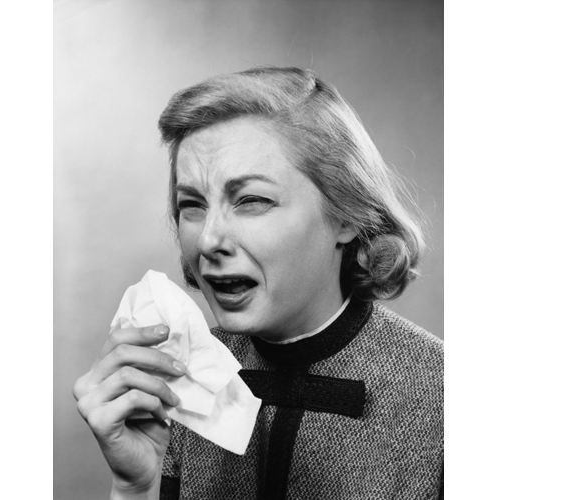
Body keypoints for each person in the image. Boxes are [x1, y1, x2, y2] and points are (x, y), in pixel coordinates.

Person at [73, 67, 443, 499]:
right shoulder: (174, 374)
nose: (208, 240)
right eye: (191, 204)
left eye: (250, 200)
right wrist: (134, 487)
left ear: (345, 214)